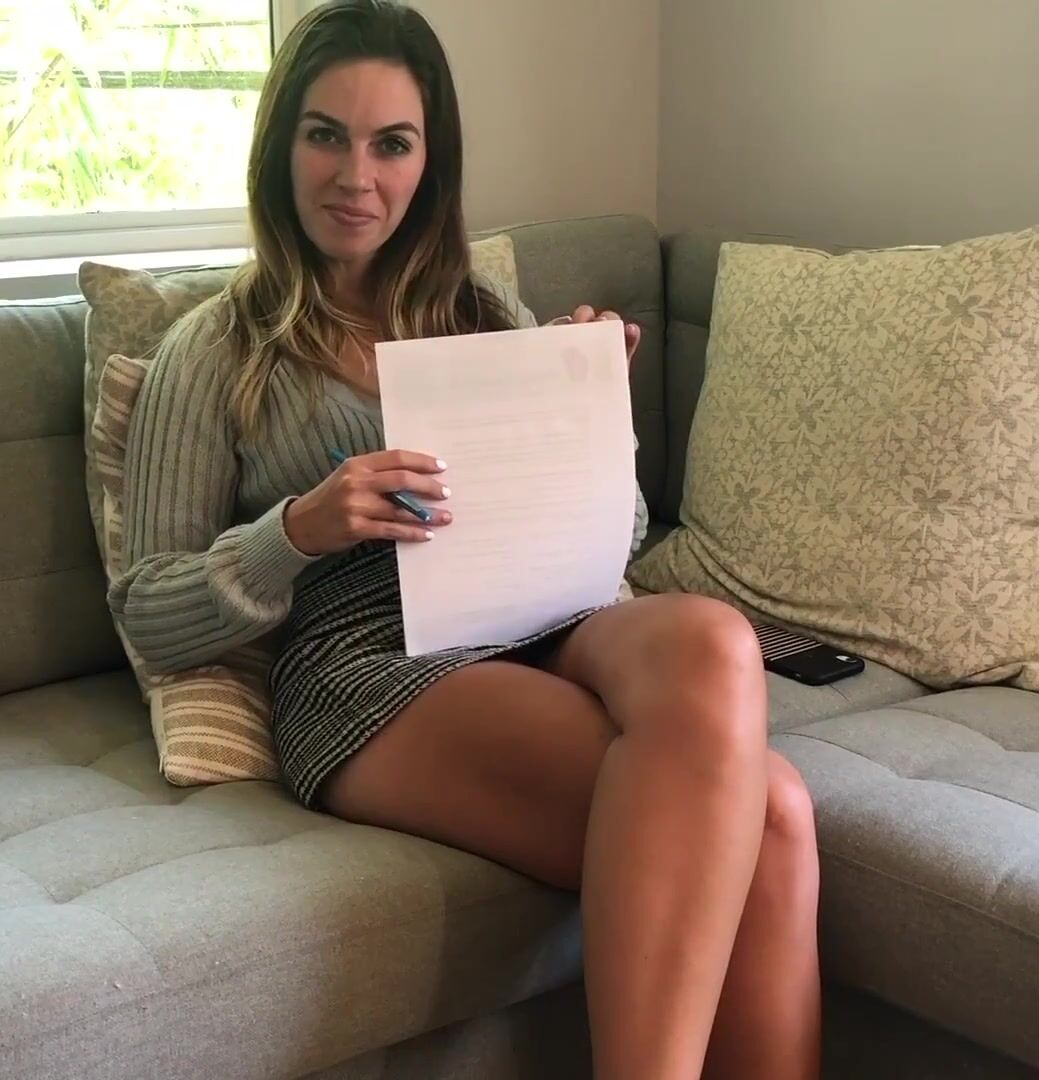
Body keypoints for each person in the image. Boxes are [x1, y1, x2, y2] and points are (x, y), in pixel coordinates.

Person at [109, 3, 820, 1077]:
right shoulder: (215, 347)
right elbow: (147, 613)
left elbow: (617, 539)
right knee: (771, 817)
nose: (357, 176)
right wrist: (295, 531)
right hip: (369, 657)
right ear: (281, 148)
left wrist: (588, 416)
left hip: (543, 610)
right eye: (325, 135)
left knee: (714, 638)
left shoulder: (488, 313)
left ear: (429, 163)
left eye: (392, 143)